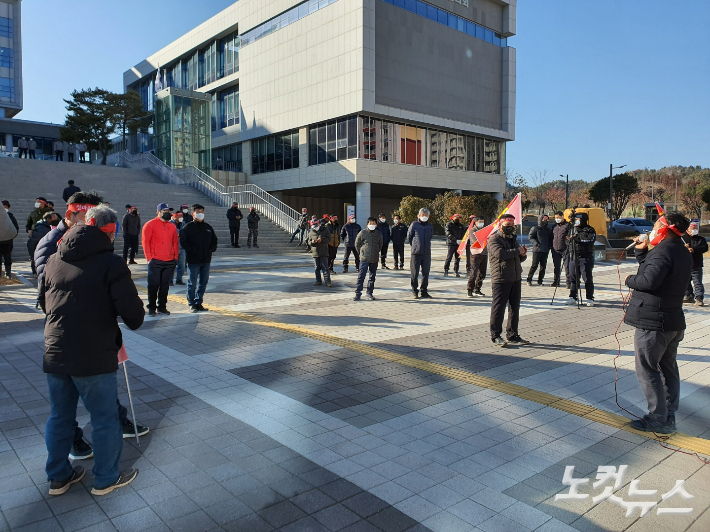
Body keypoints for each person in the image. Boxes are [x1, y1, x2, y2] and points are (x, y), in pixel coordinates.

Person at [39, 205, 144, 496]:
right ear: (110, 231)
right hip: (94, 353)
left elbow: (45, 305)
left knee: (60, 417)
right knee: (104, 417)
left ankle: (58, 477)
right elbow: (133, 315)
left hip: (56, 350)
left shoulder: (54, 258)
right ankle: (106, 478)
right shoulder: (111, 263)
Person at [624, 212, 692, 433]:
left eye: (655, 225)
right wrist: (641, 251)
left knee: (647, 368)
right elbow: (656, 271)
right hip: (673, 320)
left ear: (665, 227)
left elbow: (649, 280)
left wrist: (629, 280)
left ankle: (657, 418)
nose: (652, 229)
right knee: (668, 367)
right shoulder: (681, 250)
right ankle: (669, 414)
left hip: (654, 322)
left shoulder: (663, 251)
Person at [488, 214, 529, 347]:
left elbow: (517, 258)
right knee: (498, 308)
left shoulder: (513, 239)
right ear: (500, 226)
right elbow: (501, 254)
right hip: (501, 278)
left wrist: (522, 254)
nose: (510, 228)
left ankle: (512, 334)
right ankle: (495, 335)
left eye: (512, 226)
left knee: (514, 308)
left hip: (515, 277)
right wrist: (517, 251)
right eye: (507, 226)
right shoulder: (494, 239)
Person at [141, 203, 179, 317]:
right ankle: (152, 307)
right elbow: (145, 242)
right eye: (164, 210)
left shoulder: (172, 226)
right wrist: (149, 258)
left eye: (168, 210)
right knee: (153, 285)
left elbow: (175, 242)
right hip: (155, 260)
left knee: (165, 286)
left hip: (169, 260)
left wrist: (175, 257)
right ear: (158, 211)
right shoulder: (150, 225)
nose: (167, 212)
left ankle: (162, 306)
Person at [180, 204, 218, 312]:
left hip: (206, 260)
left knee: (203, 282)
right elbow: (183, 242)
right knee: (192, 283)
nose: (200, 214)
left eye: (202, 211)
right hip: (193, 260)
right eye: (198, 212)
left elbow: (214, 240)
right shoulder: (188, 227)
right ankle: (191, 303)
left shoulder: (208, 227)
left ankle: (199, 302)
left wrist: (212, 248)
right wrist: (192, 250)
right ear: (193, 214)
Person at [565, 212, 597, 306]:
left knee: (587, 278)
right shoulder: (572, 229)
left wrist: (577, 239)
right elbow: (567, 240)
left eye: (578, 220)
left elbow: (589, 240)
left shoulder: (589, 230)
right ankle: (573, 297)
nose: (576, 222)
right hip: (573, 256)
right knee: (573, 278)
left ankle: (590, 298)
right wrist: (569, 239)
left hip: (585, 257)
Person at [353, 217, 383, 301]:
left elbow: (380, 245)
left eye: (373, 224)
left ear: (376, 225)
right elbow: (357, 244)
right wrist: (361, 253)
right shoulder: (362, 233)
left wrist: (376, 251)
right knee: (361, 276)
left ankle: (369, 293)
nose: (372, 225)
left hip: (374, 258)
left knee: (372, 277)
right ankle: (358, 293)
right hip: (364, 258)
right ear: (367, 224)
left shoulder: (379, 234)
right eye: (370, 223)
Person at [408, 208, 434, 299]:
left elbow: (430, 237)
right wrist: (415, 246)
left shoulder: (429, 226)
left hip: (426, 253)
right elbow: (409, 237)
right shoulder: (414, 224)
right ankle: (415, 291)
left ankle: (424, 291)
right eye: (422, 215)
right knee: (414, 273)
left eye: (426, 215)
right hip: (416, 253)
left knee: (425, 273)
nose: (424, 217)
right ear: (418, 216)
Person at [683, 222, 708, 306]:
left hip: (696, 264)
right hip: (685, 264)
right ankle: (688, 295)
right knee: (685, 281)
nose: (694, 230)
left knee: (697, 282)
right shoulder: (682, 238)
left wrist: (693, 249)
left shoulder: (700, 239)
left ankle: (699, 298)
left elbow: (704, 248)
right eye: (692, 229)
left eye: (695, 229)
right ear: (687, 230)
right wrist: (684, 248)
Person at [526, 214, 553, 286]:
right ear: (540, 219)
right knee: (534, 265)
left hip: (545, 250)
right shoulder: (535, 228)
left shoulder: (548, 230)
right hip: (537, 250)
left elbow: (551, 239)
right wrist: (536, 243)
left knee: (543, 266)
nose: (546, 220)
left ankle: (540, 280)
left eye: (547, 219)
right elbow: (531, 237)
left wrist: (550, 246)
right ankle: (529, 279)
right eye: (544, 219)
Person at [467, 217, 489, 297]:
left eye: (482, 222)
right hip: (476, 254)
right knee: (474, 273)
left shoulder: (485, 230)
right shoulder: (473, 231)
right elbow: (475, 241)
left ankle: (477, 289)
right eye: (480, 222)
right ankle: (470, 290)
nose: (481, 223)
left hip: (484, 253)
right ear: (475, 222)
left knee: (482, 273)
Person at [308, 219, 331, 287]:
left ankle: (328, 282)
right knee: (317, 268)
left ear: (318, 224)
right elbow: (308, 241)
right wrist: (312, 242)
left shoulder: (325, 229)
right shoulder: (311, 231)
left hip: (323, 251)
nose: (314, 227)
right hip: (315, 252)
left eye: (315, 225)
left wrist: (322, 240)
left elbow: (329, 239)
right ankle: (318, 281)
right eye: (313, 226)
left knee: (325, 267)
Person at [551, 211, 570, 288]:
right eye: (555, 218)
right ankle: (556, 281)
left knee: (567, 266)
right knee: (556, 266)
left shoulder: (568, 225)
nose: (557, 219)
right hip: (555, 249)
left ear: (562, 217)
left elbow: (570, 236)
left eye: (558, 217)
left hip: (565, 249)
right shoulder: (554, 226)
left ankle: (568, 282)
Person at [0, 200, 19, 278]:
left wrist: (11, 236)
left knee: (7, 258)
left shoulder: (11, 217)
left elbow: (15, 228)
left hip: (8, 242)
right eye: (3, 206)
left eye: (6, 206)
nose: (4, 208)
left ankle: (8, 273)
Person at [170, 211, 187, 285]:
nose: (181, 217)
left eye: (181, 216)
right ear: (175, 216)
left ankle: (179, 279)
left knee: (182, 265)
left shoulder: (183, 224)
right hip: (172, 247)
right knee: (172, 265)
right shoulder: (170, 223)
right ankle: (170, 280)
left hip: (182, 247)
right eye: (179, 216)